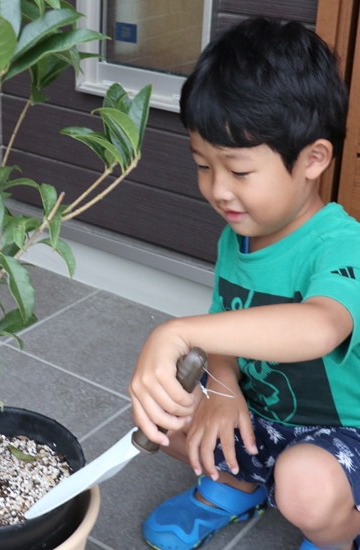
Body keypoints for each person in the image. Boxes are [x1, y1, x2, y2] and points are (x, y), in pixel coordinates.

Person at [129, 17, 360, 550]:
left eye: (238, 170)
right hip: (262, 416)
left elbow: (320, 327)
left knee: (306, 487)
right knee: (163, 415)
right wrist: (223, 387)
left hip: (340, 436)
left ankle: (339, 534)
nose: (218, 190)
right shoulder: (241, 236)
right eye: (203, 166)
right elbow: (224, 327)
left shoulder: (340, 244)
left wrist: (175, 333)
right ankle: (236, 485)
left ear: (313, 159)